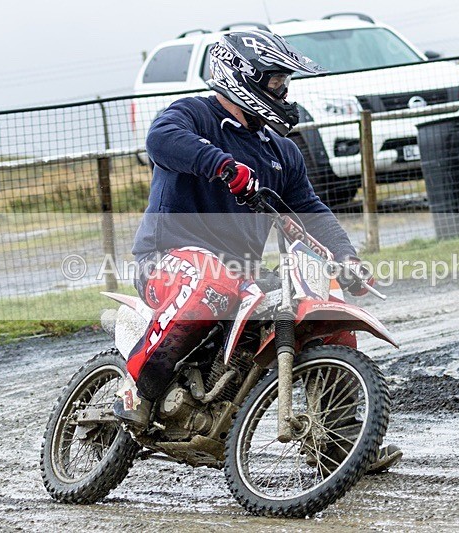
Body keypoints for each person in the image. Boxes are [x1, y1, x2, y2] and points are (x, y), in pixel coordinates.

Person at [115, 29, 401, 473]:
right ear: (241, 77)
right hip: (167, 259)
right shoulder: (192, 115)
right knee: (211, 276)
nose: (283, 92)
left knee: (326, 311)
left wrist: (346, 258)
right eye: (274, 82)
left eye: (284, 83)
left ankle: (342, 445)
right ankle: (138, 389)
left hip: (239, 274)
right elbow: (160, 141)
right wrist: (224, 166)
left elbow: (309, 209)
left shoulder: (281, 151)